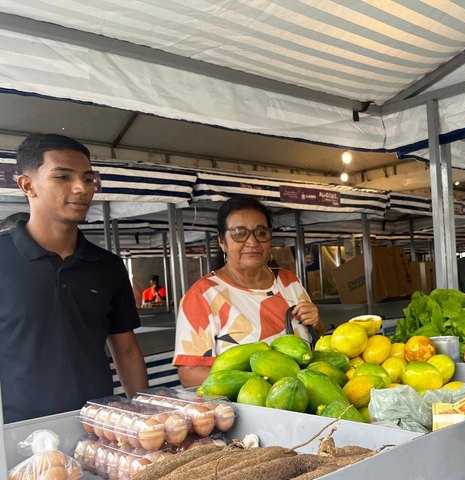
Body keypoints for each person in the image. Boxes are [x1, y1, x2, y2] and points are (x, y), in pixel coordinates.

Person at [0, 134, 148, 423]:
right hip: (16, 434)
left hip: (97, 427)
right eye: (63, 177)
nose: (81, 188)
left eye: (88, 178)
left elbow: (126, 350)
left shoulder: (108, 266)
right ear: (27, 185)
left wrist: (144, 417)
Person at [173, 196, 323, 387]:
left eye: (261, 232)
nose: (252, 241)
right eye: (239, 233)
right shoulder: (202, 296)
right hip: (245, 412)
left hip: (306, 403)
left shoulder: (289, 282)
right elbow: (190, 374)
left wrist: (316, 321)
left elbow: (315, 335)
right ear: (222, 242)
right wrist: (263, 381)